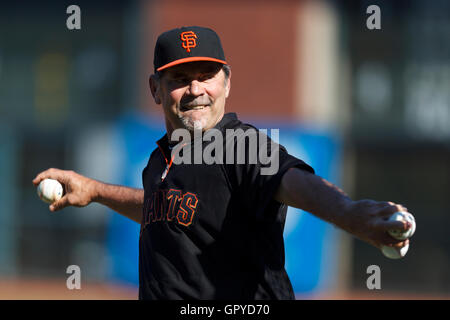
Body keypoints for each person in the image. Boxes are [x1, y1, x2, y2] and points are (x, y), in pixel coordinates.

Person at [33, 26, 411, 300]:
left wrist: (348, 213)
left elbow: (293, 182)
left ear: (226, 83)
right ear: (155, 89)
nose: (196, 89)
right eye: (180, 78)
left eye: (206, 76)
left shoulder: (240, 145)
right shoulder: (160, 159)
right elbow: (164, 209)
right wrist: (96, 191)